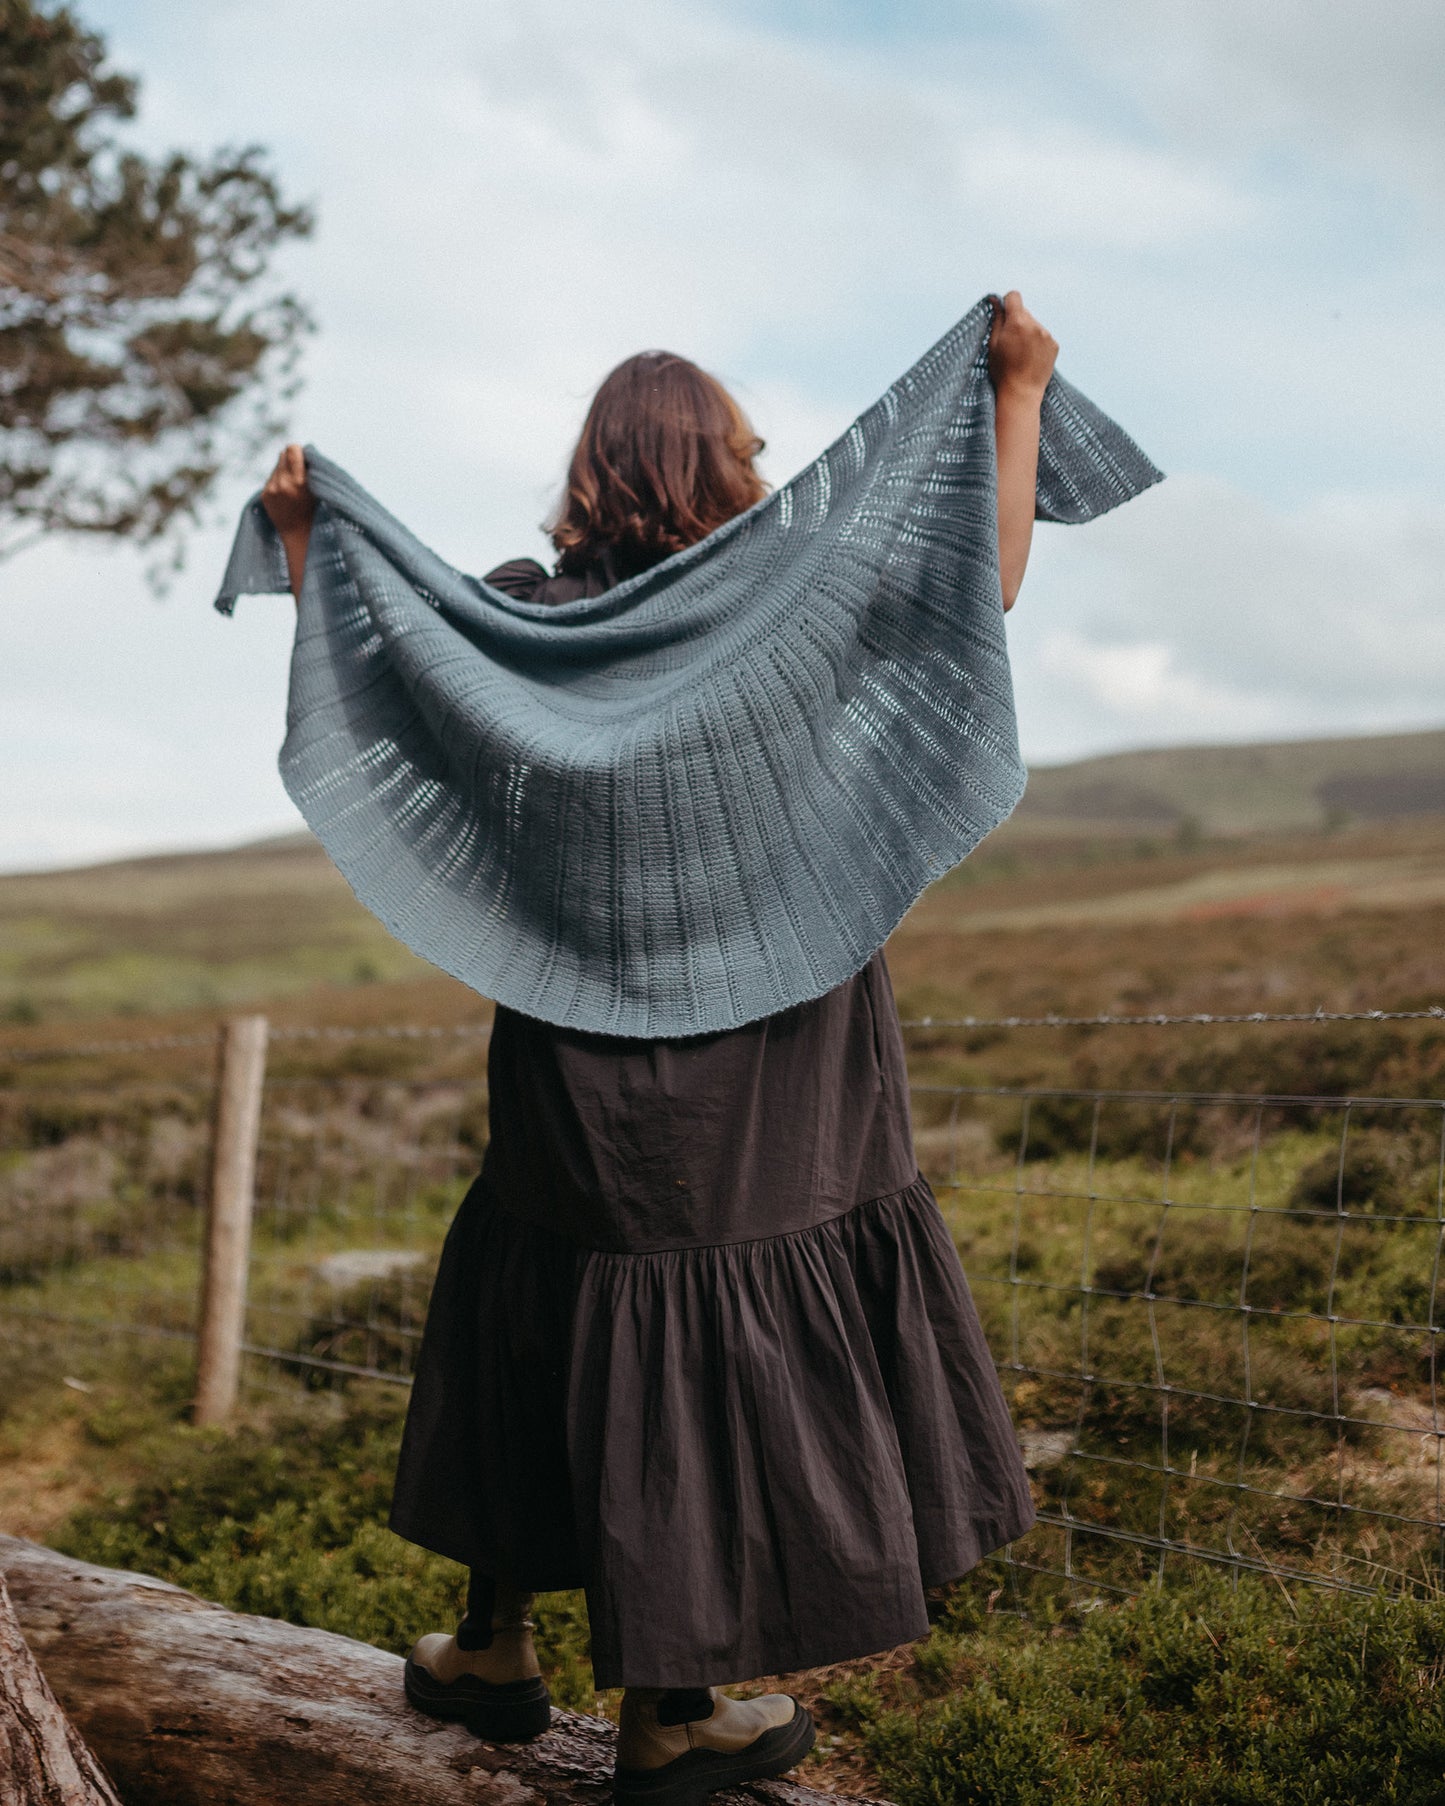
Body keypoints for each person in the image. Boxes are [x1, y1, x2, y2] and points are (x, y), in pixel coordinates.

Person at [259, 291, 1058, 1806]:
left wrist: (312, 547)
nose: (765, 465)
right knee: (692, 1322)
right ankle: (673, 1710)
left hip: (568, 1054)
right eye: (749, 449)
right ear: (712, 470)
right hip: (768, 1047)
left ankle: (492, 1642)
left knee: (549, 1288)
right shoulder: (788, 610)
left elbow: (377, 683)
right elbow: (981, 583)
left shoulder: (523, 624)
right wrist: (1012, 392)